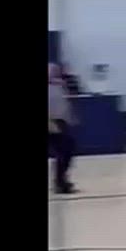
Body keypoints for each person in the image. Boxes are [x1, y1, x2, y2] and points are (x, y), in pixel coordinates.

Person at [48, 63, 77, 195]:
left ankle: (61, 181)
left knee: (66, 150)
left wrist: (70, 119)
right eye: (52, 71)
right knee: (64, 150)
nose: (54, 72)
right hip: (51, 122)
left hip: (60, 122)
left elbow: (64, 105)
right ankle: (60, 182)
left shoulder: (59, 86)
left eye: (56, 71)